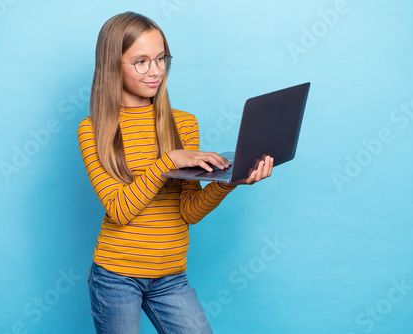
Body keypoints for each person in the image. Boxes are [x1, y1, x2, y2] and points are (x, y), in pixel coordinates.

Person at [77, 11, 273, 334]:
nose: (155, 71)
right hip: (115, 276)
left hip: (171, 276)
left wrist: (232, 181)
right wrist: (168, 161)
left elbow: (187, 211)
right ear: (113, 65)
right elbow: (119, 209)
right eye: (141, 61)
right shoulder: (94, 130)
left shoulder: (183, 124)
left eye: (160, 58)